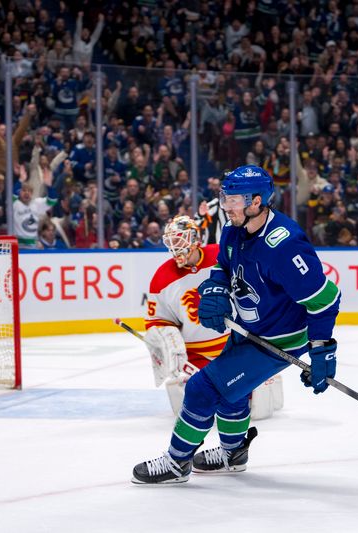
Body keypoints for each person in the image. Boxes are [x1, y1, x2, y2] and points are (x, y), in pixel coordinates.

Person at [132, 165, 341, 484]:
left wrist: (323, 349)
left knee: (203, 388)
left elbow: (324, 298)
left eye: (233, 199)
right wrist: (214, 286)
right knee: (232, 392)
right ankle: (233, 454)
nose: (226, 206)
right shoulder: (233, 230)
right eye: (224, 197)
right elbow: (223, 266)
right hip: (251, 329)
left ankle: (177, 463)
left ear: (256, 201)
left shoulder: (283, 245)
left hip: (280, 339)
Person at [142, 215, 284, 420]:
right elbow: (158, 320)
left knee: (256, 403)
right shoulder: (162, 277)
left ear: (193, 238)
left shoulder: (221, 254)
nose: (175, 246)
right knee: (194, 398)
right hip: (196, 355)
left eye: (179, 239)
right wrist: (166, 342)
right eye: (171, 241)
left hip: (235, 346)